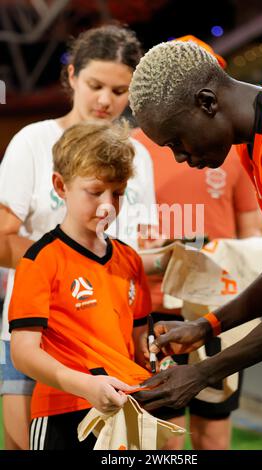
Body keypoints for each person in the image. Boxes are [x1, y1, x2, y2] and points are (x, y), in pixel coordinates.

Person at [0, 24, 158, 450]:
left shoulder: (139, 154)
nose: (106, 100)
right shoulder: (33, 141)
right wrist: (64, 270)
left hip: (111, 337)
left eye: (120, 90)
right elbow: (1, 236)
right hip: (38, 329)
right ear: (71, 76)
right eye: (96, 85)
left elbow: (140, 241)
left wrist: (156, 261)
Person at [128, 39, 262, 411]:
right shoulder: (258, 131)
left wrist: (203, 373)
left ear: (207, 102)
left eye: (176, 141)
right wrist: (206, 326)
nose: (179, 157)